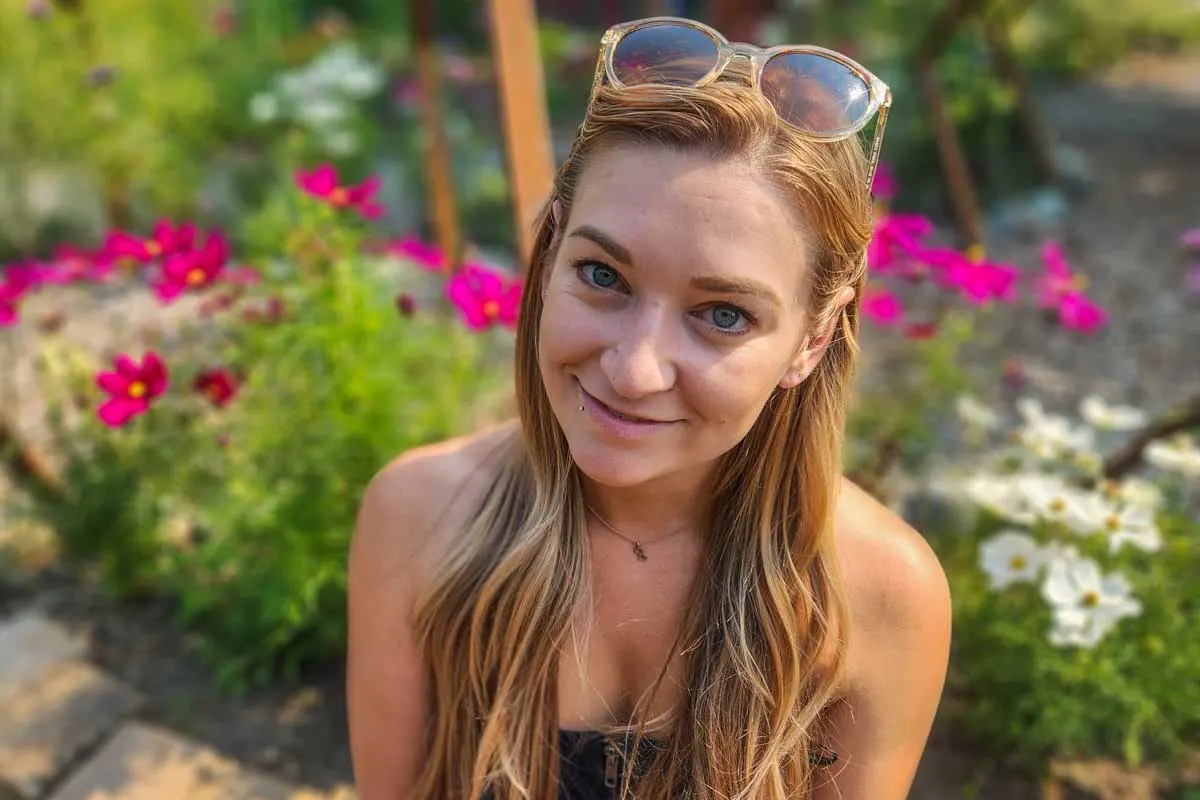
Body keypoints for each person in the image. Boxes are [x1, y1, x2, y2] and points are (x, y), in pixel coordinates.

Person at [347, 15, 950, 800]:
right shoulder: (420, 520)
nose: (633, 371)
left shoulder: (880, 594)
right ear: (551, 251)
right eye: (603, 276)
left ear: (812, 337)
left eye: (723, 315)